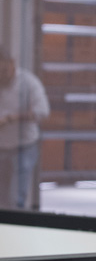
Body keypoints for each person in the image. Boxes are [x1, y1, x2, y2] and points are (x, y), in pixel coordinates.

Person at [0, 45, 50, 210]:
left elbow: (42, 111)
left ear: (12, 64)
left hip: (23, 147)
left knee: (15, 198)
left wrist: (12, 118)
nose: (1, 76)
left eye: (4, 71)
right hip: (2, 146)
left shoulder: (29, 83)